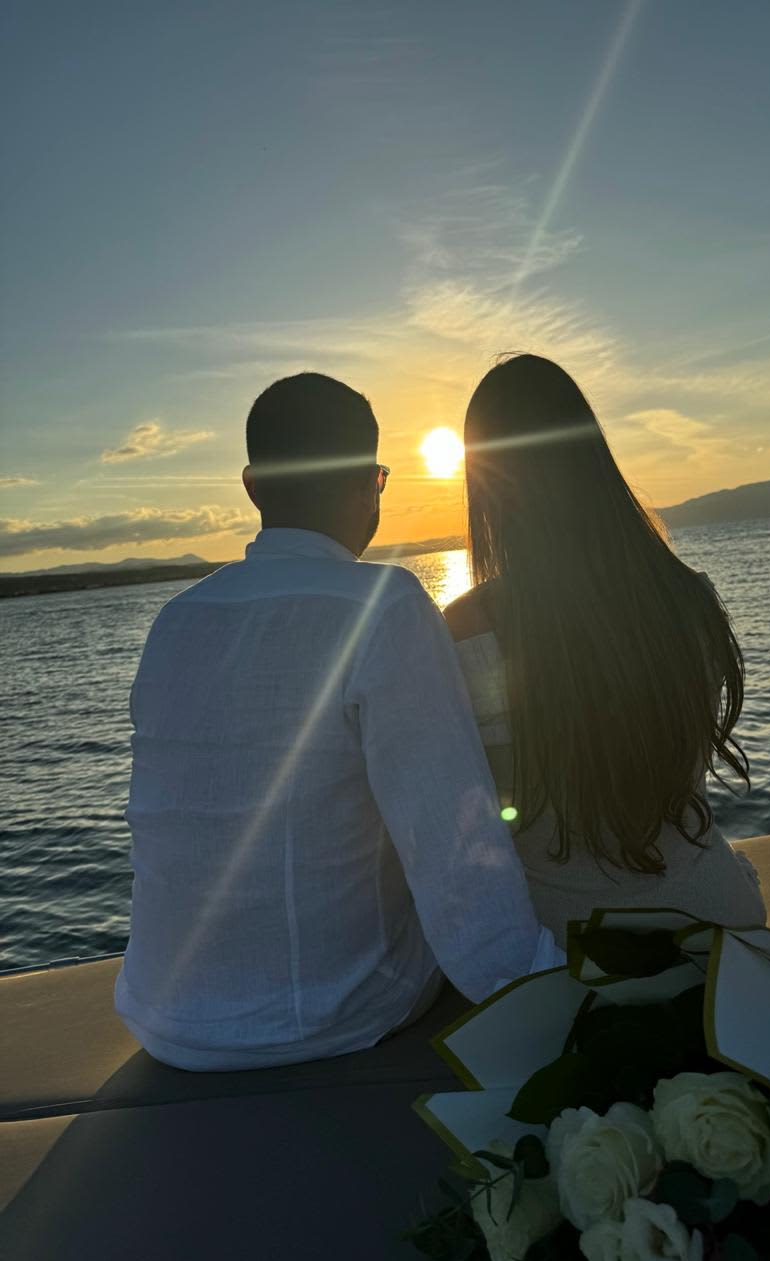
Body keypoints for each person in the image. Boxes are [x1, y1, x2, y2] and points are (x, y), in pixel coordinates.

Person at [114, 372, 563, 1070]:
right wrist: (547, 997)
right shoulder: (381, 606)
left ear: (253, 487)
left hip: (163, 1019)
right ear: (368, 484)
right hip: (329, 1020)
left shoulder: (176, 624)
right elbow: (456, 851)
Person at [444, 355, 765, 943]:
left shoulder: (466, 631)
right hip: (719, 921)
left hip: (570, 950)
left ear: (486, 485)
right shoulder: (687, 597)